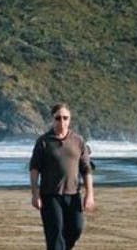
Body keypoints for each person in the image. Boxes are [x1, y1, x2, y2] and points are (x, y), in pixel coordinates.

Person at [29, 102, 95, 250]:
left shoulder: (78, 141)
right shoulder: (44, 141)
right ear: (53, 119)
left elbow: (86, 169)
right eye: (58, 118)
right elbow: (34, 169)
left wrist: (89, 194)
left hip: (73, 195)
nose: (62, 121)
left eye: (66, 118)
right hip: (50, 195)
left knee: (76, 228)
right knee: (55, 235)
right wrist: (35, 194)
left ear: (70, 119)